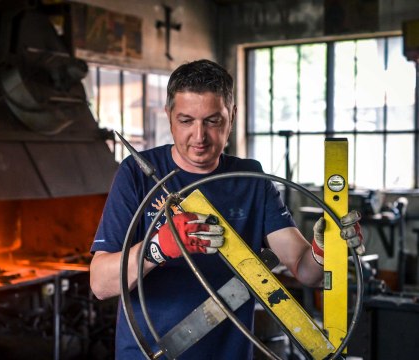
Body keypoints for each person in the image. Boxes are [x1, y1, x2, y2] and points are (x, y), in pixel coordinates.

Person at [89, 59, 364, 359]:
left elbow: (305, 271)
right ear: (169, 116)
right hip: (148, 354)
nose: (199, 136)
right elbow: (100, 284)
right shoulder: (136, 174)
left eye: (212, 121)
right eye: (186, 120)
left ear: (231, 117)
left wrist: (324, 250)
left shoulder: (251, 180)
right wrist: (157, 248)